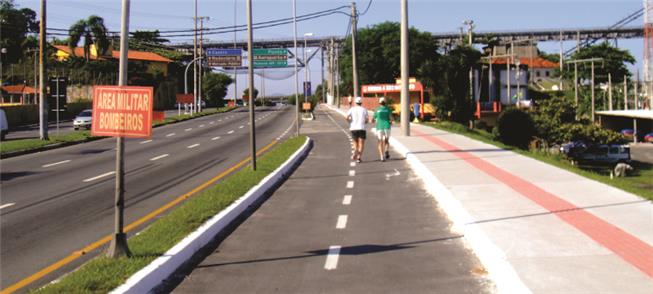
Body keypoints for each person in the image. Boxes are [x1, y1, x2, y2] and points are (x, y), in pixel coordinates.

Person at [346, 97, 368, 163]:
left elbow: (346, 117)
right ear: (361, 102)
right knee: (361, 144)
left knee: (355, 143)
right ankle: (359, 157)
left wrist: (350, 121)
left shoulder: (352, 109)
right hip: (361, 128)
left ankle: (355, 151)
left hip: (353, 128)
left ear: (355, 103)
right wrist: (364, 122)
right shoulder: (364, 109)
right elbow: (367, 120)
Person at [373, 97, 393, 162]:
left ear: (379, 103)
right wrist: (391, 122)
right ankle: (386, 150)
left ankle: (382, 156)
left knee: (380, 141)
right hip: (387, 126)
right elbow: (391, 118)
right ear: (385, 102)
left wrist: (374, 121)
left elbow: (373, 119)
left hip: (379, 127)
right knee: (386, 140)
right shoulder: (388, 109)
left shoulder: (377, 109)